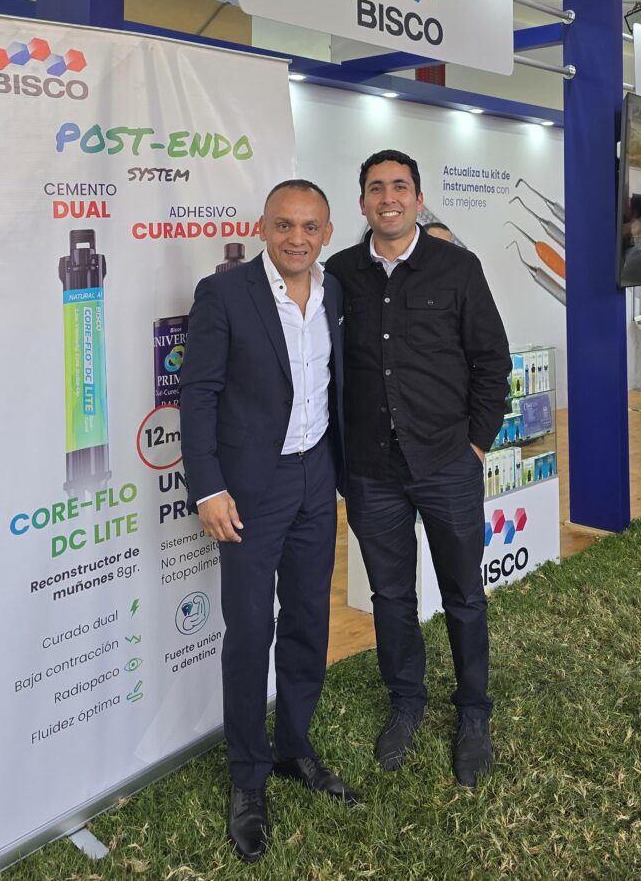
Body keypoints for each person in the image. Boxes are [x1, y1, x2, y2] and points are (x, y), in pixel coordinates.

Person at [179, 180, 357, 863]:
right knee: (252, 630)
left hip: (317, 475)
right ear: (262, 226)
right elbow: (198, 394)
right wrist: (208, 486)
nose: (297, 238)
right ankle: (248, 776)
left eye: (310, 227)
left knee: (309, 617)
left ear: (327, 232)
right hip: (253, 486)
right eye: (285, 224)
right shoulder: (224, 294)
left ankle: (294, 747)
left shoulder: (335, 292)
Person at [325, 149, 510, 788]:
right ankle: (406, 702)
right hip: (370, 470)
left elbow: (491, 360)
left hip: (445, 462)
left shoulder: (457, 268)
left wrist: (476, 445)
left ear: (418, 197)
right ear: (362, 202)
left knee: (464, 595)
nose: (388, 198)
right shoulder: (338, 274)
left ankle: (473, 710)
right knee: (391, 596)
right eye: (376, 188)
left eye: (399, 187)